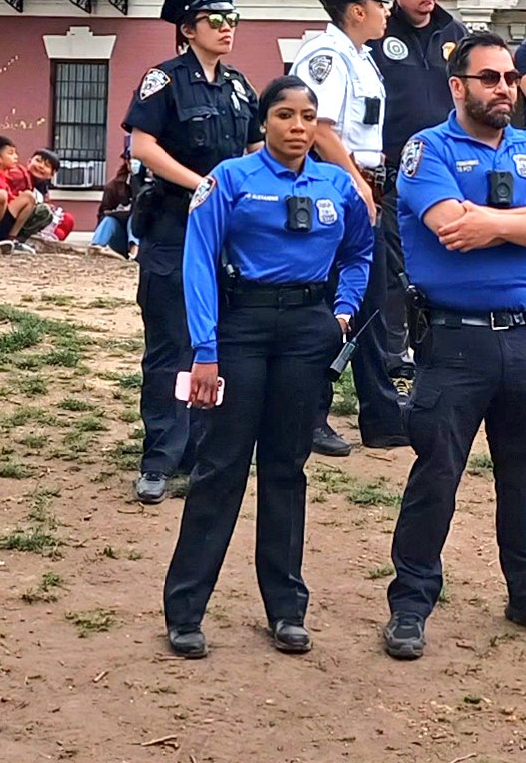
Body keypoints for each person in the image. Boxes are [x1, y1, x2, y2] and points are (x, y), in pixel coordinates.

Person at [383, 31, 526, 661]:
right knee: (436, 476)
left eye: (508, 77)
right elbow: (448, 228)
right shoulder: (427, 150)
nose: (504, 88)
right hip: (452, 343)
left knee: (525, 475)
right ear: (458, 87)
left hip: (525, 341)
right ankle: (411, 604)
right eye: (489, 78)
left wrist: (491, 222)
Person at [163, 77, 372, 659]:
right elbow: (199, 261)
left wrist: (343, 311)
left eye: (308, 116)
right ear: (264, 122)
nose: (298, 127)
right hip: (241, 330)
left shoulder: (337, 185)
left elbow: (360, 250)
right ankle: (185, 611)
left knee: (287, 468)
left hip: (308, 332)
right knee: (221, 467)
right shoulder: (229, 180)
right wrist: (205, 350)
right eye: (285, 115)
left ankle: (286, 610)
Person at [122, 0, 261, 505]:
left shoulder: (240, 86)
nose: (227, 30)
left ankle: (204, 451)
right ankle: (160, 455)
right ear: (188, 29)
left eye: (232, 20)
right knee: (170, 343)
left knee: (217, 340)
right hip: (175, 225)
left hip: (225, 232)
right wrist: (201, 183)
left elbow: (252, 149)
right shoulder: (164, 80)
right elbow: (143, 145)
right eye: (216, 21)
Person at [292, 0, 407, 457]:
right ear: (357, 10)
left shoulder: (360, 57)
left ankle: (381, 414)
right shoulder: (327, 56)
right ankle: (309, 414)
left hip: (365, 188)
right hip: (339, 190)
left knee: (370, 301)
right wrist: (357, 183)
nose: (387, 11)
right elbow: (319, 129)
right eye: (381, 3)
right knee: (332, 303)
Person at [368, 0, 468, 381]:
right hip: (393, 174)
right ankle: (394, 356)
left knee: (444, 260)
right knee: (395, 268)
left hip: (446, 171)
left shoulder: (454, 31)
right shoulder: (377, 34)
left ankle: (441, 347)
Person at [0, 136, 45, 250]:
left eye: (15, 153)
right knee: (2, 195)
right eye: (11, 153)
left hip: (5, 218)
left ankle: (12, 238)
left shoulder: (6, 176)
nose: (16, 157)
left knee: (29, 197)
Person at [87, 151, 135, 259]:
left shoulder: (152, 184)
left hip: (143, 238)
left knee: (135, 217)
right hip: (120, 237)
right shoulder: (114, 187)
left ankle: (134, 251)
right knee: (109, 220)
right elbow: (102, 213)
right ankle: (96, 247)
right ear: (127, 162)